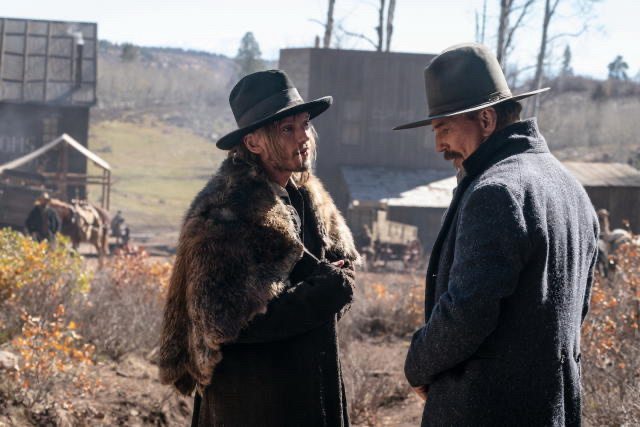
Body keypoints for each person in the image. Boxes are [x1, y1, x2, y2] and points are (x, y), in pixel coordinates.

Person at [393, 43, 599, 426]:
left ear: (486, 120)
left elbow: (466, 313)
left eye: (444, 128)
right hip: (550, 408)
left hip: (487, 411)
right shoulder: (572, 189)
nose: (439, 145)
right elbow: (575, 313)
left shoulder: (496, 192)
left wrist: (418, 365)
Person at [158, 70, 359, 427]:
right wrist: (323, 293)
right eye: (287, 129)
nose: (304, 137)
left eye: (305, 124)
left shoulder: (307, 199)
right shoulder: (226, 212)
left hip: (310, 388)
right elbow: (223, 322)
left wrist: (334, 287)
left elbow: (335, 281)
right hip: (252, 401)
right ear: (253, 143)